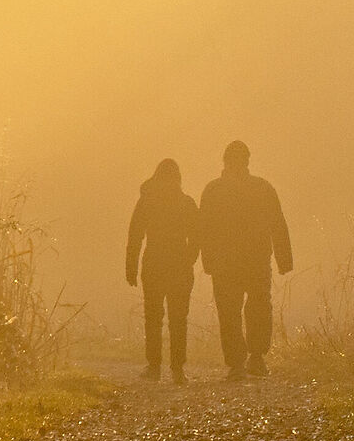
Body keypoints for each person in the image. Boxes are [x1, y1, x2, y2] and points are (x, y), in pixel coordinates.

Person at [199, 140, 293, 379]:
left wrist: (208, 260)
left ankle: (242, 362)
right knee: (256, 307)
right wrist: (283, 259)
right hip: (251, 261)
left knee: (233, 310)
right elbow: (277, 224)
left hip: (233, 262)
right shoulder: (261, 188)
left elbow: (204, 229)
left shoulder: (214, 190)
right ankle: (253, 359)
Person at [125, 158, 200, 383]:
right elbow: (197, 238)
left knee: (153, 317)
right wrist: (188, 260)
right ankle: (177, 369)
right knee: (179, 318)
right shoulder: (186, 203)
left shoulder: (147, 202)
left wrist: (131, 267)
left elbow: (135, 236)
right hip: (179, 265)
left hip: (154, 263)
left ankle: (154, 367)